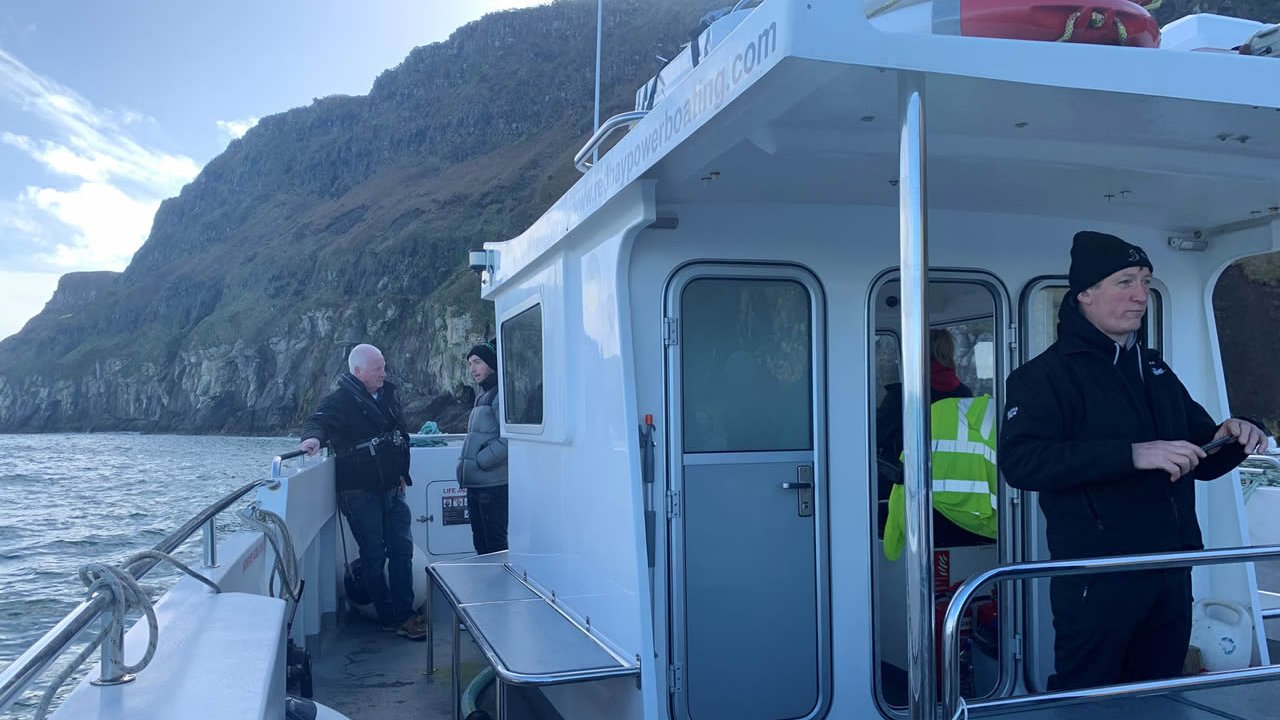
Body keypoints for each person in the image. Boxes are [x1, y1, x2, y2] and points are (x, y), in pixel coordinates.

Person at [1000, 231, 1266, 690]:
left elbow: (1200, 458)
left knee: (1160, 692)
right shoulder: (1042, 376)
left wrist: (1236, 434)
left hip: (1169, 568)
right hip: (1098, 576)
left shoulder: (1156, 370)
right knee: (1091, 696)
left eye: (1145, 280)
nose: (1141, 294)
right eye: (1125, 281)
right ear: (1085, 293)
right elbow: (1022, 463)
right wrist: (1131, 455)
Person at [299, 344, 425, 640]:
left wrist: (402, 474)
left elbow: (400, 436)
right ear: (358, 372)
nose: (384, 373)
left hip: (393, 489)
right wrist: (311, 441)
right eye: (377, 368)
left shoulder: (389, 396)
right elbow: (316, 421)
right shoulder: (339, 401)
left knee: (402, 550)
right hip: (360, 493)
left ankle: (405, 613)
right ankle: (388, 616)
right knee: (373, 554)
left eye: (383, 366)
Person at [876, 329, 974, 464]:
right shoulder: (964, 395)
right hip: (953, 474)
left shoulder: (903, 395)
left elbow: (874, 437)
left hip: (901, 480)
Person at [457, 340, 509, 554]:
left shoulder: (500, 395)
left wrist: (481, 461)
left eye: (477, 362)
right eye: (470, 364)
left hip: (493, 485)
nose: (473, 369)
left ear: (491, 364)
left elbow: (508, 439)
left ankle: (499, 588)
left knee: (494, 547)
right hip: (478, 485)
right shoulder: (482, 396)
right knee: (481, 544)